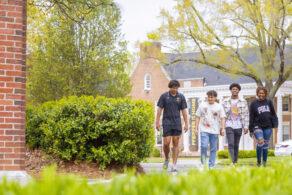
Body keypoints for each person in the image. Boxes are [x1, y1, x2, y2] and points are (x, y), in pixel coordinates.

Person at [156, 80, 188, 172]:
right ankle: (166, 158)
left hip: (177, 123)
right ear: (170, 87)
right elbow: (159, 110)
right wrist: (157, 122)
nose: (175, 89)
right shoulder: (164, 96)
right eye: (173, 87)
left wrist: (186, 123)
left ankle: (174, 165)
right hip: (166, 122)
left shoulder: (181, 97)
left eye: (176, 88)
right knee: (166, 143)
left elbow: (184, 111)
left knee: (175, 143)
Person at [195, 90, 226, 169]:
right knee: (204, 146)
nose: (210, 99)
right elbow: (198, 117)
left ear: (215, 97)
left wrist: (222, 129)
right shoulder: (202, 105)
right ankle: (203, 163)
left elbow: (222, 118)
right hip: (204, 129)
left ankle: (211, 165)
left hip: (215, 130)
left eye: (212, 97)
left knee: (213, 148)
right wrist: (196, 128)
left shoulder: (219, 106)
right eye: (209, 97)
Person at [249, 86, 278, 167]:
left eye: (263, 93)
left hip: (268, 126)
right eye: (259, 93)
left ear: (265, 94)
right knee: (260, 141)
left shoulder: (269, 102)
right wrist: (251, 130)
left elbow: (273, 114)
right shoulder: (253, 104)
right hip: (257, 125)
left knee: (265, 145)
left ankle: (264, 162)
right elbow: (251, 117)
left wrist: (275, 125)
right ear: (257, 93)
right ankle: (259, 161)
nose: (261, 94)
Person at [222, 83, 249, 166]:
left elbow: (246, 114)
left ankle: (235, 161)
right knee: (231, 143)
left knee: (236, 144)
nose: (235, 90)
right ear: (231, 90)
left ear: (238, 91)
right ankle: (231, 161)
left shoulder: (243, 101)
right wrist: (221, 127)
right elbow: (222, 115)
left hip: (239, 125)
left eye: (236, 89)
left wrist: (246, 126)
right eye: (233, 89)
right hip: (229, 124)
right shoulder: (225, 101)